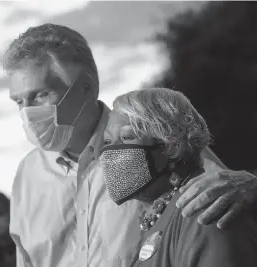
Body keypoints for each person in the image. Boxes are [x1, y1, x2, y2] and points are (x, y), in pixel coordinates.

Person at [3, 23, 257, 267]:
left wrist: (252, 185)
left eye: (41, 94)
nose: (27, 112)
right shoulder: (27, 176)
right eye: (18, 101)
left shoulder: (153, 144)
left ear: (87, 88)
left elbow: (229, 198)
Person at [99, 87, 257, 267]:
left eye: (126, 137)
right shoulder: (147, 222)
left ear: (171, 143)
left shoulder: (205, 210)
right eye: (107, 142)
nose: (111, 153)